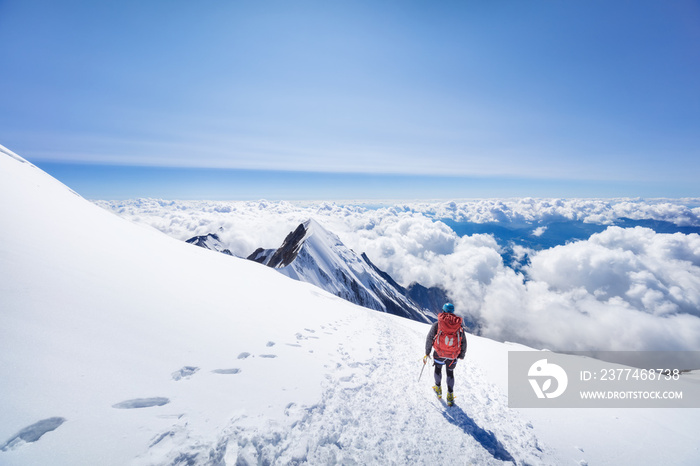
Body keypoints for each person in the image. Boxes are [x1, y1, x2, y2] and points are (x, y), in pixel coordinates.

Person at [424, 303, 467, 406]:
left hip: (439, 353)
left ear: (443, 310)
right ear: (452, 312)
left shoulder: (437, 324)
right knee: (450, 373)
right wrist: (461, 354)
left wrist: (427, 352)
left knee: (438, 369)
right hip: (452, 355)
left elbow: (429, 338)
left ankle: (438, 389)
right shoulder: (458, 325)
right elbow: (463, 341)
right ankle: (450, 396)